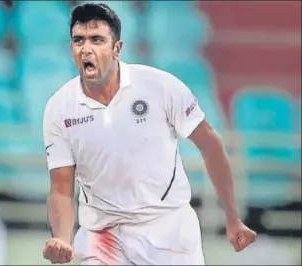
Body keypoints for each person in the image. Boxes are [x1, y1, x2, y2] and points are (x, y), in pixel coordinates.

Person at [42, 3, 256, 265]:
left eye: (97, 40)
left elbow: (210, 146)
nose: (86, 49)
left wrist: (233, 219)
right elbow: (62, 188)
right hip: (104, 236)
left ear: (117, 48)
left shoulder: (160, 86)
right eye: (78, 40)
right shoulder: (59, 107)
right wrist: (63, 239)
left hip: (169, 232)